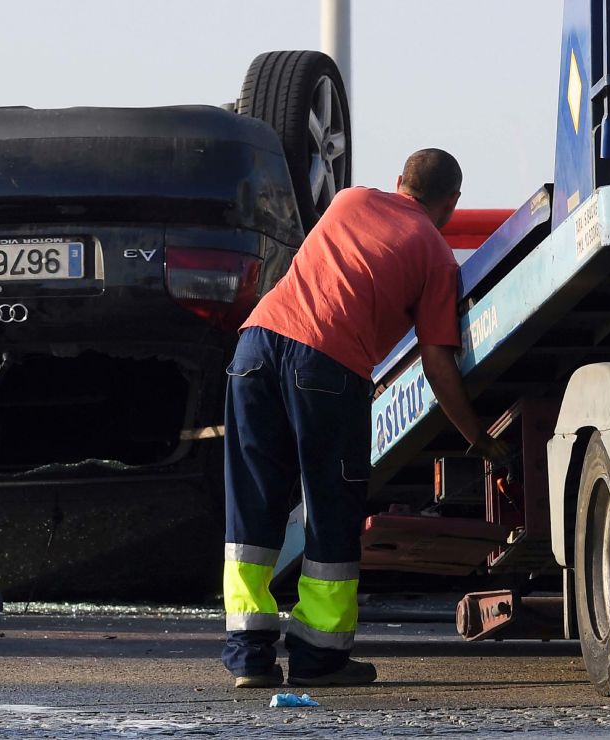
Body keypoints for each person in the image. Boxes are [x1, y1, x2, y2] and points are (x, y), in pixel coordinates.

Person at [221, 148, 509, 688]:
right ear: (452, 203)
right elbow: (438, 361)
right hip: (326, 366)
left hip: (254, 349)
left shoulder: (349, 200)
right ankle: (318, 656)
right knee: (330, 507)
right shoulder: (435, 254)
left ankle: (248, 657)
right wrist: (477, 436)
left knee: (253, 506)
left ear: (399, 181)